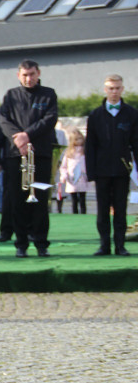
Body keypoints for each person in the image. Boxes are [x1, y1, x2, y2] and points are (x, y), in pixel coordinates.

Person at [0, 60, 57, 258]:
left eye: (32, 74)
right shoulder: (11, 95)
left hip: (40, 154)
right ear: (18, 75)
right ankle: (20, 243)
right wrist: (18, 137)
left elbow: (49, 119)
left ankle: (41, 243)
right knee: (17, 200)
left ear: (38, 73)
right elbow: (4, 120)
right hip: (16, 154)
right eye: (24, 75)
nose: (28, 78)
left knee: (40, 200)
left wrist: (27, 135)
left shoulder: (48, 94)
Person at [85, 74, 138, 256]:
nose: (114, 92)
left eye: (117, 88)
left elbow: (136, 143)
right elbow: (90, 146)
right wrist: (91, 172)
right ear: (105, 89)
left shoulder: (131, 114)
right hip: (102, 171)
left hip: (122, 171)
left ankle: (120, 245)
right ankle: (104, 245)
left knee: (121, 210)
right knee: (102, 210)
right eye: (110, 88)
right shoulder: (95, 115)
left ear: (122, 89)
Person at [57, 128, 89, 215]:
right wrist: (64, 176)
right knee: (74, 199)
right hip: (72, 179)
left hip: (82, 177)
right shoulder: (68, 153)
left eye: (80, 138)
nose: (79, 141)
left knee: (82, 198)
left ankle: (83, 214)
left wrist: (88, 175)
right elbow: (63, 167)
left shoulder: (85, 152)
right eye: (76, 139)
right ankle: (75, 214)